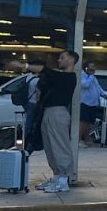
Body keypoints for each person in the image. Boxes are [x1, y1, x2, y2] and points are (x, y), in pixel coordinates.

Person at [36, 50, 80, 194]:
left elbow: (47, 71)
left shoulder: (69, 77)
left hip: (58, 112)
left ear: (71, 60)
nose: (59, 60)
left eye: (62, 58)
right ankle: (56, 177)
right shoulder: (57, 77)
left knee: (60, 146)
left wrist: (23, 65)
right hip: (48, 112)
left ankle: (64, 180)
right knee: (50, 147)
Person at [79, 62, 107, 145]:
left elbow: (97, 87)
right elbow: (85, 85)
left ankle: (87, 138)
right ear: (86, 68)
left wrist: (103, 94)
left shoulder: (93, 77)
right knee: (83, 122)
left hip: (93, 103)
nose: (93, 69)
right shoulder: (82, 75)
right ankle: (79, 139)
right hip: (85, 102)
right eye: (91, 67)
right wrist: (91, 75)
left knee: (89, 122)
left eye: (94, 67)